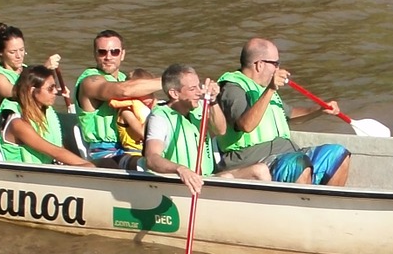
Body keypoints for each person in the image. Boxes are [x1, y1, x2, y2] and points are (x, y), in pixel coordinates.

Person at [215, 37, 351, 186]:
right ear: (260, 65)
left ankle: (325, 207)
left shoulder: (263, 87)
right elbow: (246, 125)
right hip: (254, 159)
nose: (278, 69)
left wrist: (319, 110)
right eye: (275, 64)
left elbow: (290, 114)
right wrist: (271, 89)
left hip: (287, 153)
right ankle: (301, 207)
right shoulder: (232, 88)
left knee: (337, 155)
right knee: (298, 165)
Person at [144, 64, 270, 195]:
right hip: (180, 183)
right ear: (174, 93)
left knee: (260, 170)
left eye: (199, 86)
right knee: (226, 178)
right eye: (193, 89)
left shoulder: (200, 107)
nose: (199, 92)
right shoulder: (159, 117)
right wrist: (181, 169)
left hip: (205, 178)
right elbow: (152, 158)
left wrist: (213, 102)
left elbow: (220, 130)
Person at [74, 30, 162, 168]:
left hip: (133, 146)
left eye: (114, 51)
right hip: (105, 152)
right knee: (146, 163)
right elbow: (123, 91)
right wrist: (173, 82)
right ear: (95, 54)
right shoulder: (89, 81)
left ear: (122, 54)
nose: (108, 57)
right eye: (102, 52)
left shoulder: (125, 79)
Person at [0, 65, 93, 167]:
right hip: (24, 177)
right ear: (31, 90)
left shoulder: (44, 113)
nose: (56, 91)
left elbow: (59, 148)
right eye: (50, 88)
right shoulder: (17, 123)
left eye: (55, 86)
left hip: (47, 170)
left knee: (105, 163)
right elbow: (55, 152)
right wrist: (87, 165)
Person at [109, 68, 157, 166]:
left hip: (147, 153)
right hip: (131, 155)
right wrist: (155, 111)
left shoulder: (148, 109)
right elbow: (144, 134)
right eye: (145, 93)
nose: (150, 97)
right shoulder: (126, 112)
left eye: (151, 93)